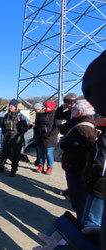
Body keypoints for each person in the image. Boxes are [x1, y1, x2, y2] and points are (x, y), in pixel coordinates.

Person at [82, 50, 106, 249]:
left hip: (99, 188)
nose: (95, 115)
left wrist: (92, 177)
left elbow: (101, 165)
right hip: (95, 186)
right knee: (89, 220)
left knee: (91, 218)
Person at [60, 100, 97, 222]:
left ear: (79, 112)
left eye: (74, 109)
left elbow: (77, 152)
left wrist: (64, 145)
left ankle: (82, 227)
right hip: (78, 168)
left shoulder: (82, 129)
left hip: (76, 169)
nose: (71, 111)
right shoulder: (84, 123)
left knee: (79, 200)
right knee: (80, 200)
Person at [0, 98, 28, 177]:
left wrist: (19, 134)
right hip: (7, 138)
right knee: (4, 154)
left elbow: (25, 128)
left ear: (15, 107)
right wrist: (4, 133)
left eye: (11, 106)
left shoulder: (20, 116)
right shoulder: (6, 115)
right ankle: (0, 168)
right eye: (9, 106)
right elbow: (3, 126)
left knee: (15, 155)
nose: (9, 108)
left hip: (17, 140)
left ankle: (13, 170)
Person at [81, 113, 105, 226]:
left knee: (90, 222)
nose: (93, 118)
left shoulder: (104, 137)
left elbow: (102, 166)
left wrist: (89, 178)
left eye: (96, 115)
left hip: (100, 187)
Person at [54, 93, 77, 196]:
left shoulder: (80, 113)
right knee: (68, 168)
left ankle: (74, 190)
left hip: (77, 143)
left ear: (72, 103)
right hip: (69, 142)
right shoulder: (69, 112)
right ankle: (71, 188)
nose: (65, 106)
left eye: (66, 104)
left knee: (76, 169)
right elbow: (58, 116)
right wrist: (61, 108)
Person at [34, 101, 60, 174]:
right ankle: (41, 165)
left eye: (47, 107)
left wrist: (49, 134)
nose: (45, 108)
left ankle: (49, 167)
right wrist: (37, 132)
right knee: (40, 153)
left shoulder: (55, 116)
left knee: (49, 153)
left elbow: (57, 127)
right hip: (40, 137)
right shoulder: (42, 115)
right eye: (45, 107)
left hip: (50, 139)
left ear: (51, 107)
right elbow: (37, 124)